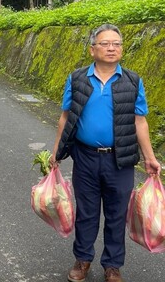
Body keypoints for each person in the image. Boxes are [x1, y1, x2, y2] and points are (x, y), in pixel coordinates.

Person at [50, 24, 161, 282]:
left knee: (116, 214)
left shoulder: (132, 81)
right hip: (85, 157)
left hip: (120, 159)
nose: (112, 48)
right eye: (105, 43)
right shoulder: (77, 78)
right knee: (86, 213)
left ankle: (112, 266)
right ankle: (83, 259)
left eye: (117, 44)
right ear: (92, 49)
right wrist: (55, 152)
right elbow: (65, 117)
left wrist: (150, 157)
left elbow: (140, 121)